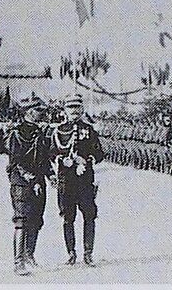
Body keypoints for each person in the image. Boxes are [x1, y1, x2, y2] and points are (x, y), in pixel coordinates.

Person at [49, 93, 104, 267]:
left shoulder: (89, 130)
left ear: (82, 109)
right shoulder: (58, 131)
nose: (74, 110)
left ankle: (88, 253)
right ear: (64, 110)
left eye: (77, 107)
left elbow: (99, 153)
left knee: (89, 216)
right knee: (68, 218)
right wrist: (61, 159)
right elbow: (51, 152)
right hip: (66, 181)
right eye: (70, 107)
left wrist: (86, 160)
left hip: (85, 181)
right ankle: (71, 253)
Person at [6, 95, 51, 276]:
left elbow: (44, 159)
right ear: (29, 112)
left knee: (36, 220)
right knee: (22, 221)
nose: (42, 114)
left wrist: (51, 175)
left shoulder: (40, 132)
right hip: (21, 183)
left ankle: (29, 255)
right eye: (39, 111)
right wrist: (31, 180)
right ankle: (18, 262)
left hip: (39, 183)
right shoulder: (16, 133)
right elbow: (16, 162)